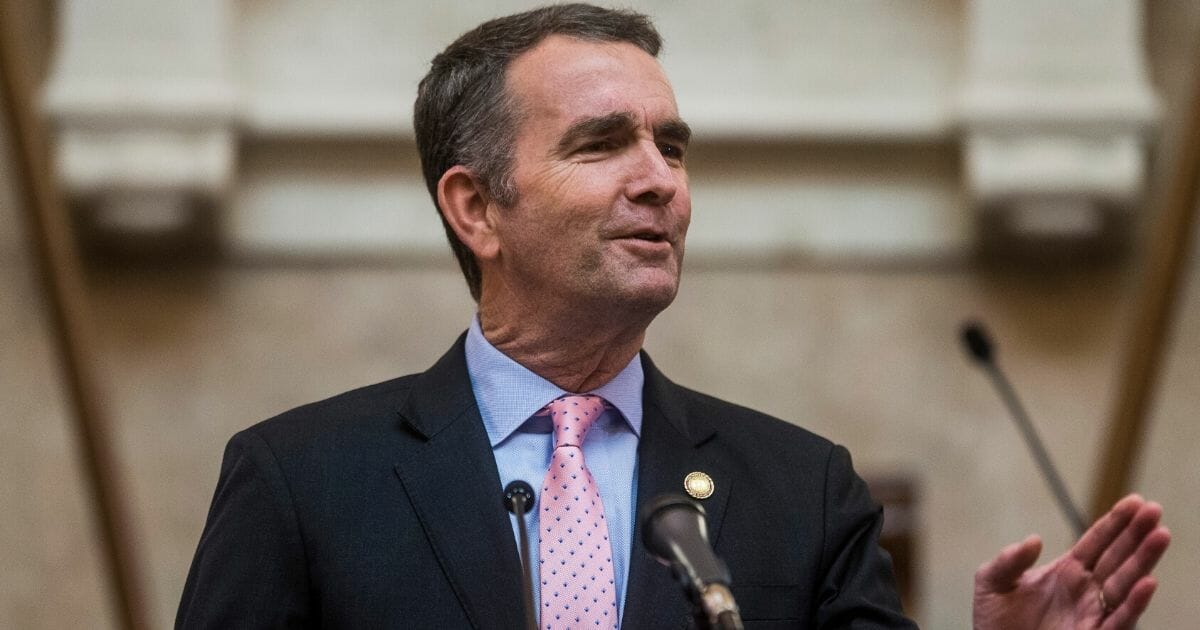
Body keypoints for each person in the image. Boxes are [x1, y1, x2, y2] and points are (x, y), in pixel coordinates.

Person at [176, 4, 1170, 629]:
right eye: (603, 144)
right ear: (476, 207)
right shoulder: (302, 482)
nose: (660, 182)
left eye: (674, 147)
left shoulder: (803, 490)